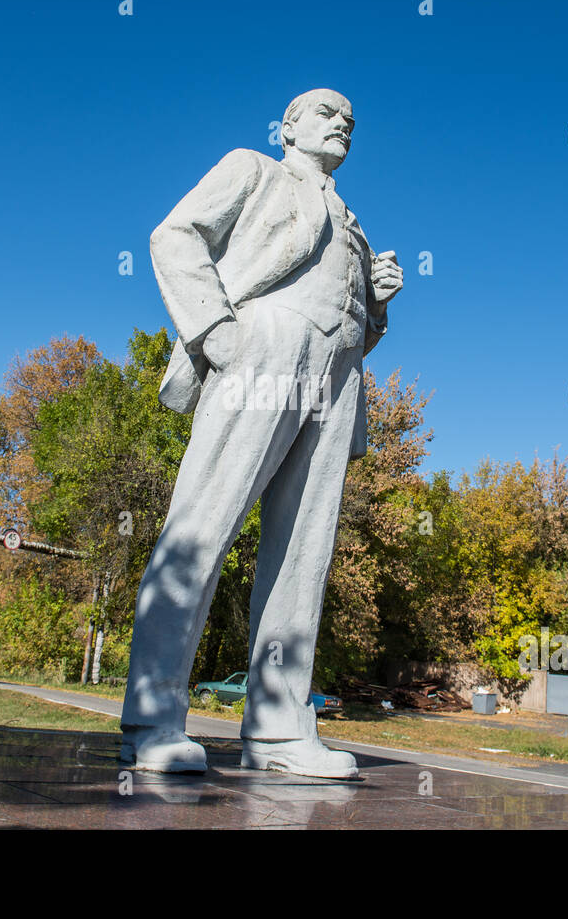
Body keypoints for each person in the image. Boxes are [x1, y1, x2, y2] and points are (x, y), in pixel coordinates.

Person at [119, 89, 403, 778]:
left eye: (351, 121)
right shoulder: (253, 168)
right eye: (327, 112)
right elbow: (174, 234)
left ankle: (278, 727)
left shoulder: (354, 221)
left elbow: (354, 319)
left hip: (337, 376)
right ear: (288, 127)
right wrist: (217, 330)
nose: (342, 124)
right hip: (264, 348)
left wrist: (378, 306)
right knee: (204, 521)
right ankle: (152, 716)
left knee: (305, 551)